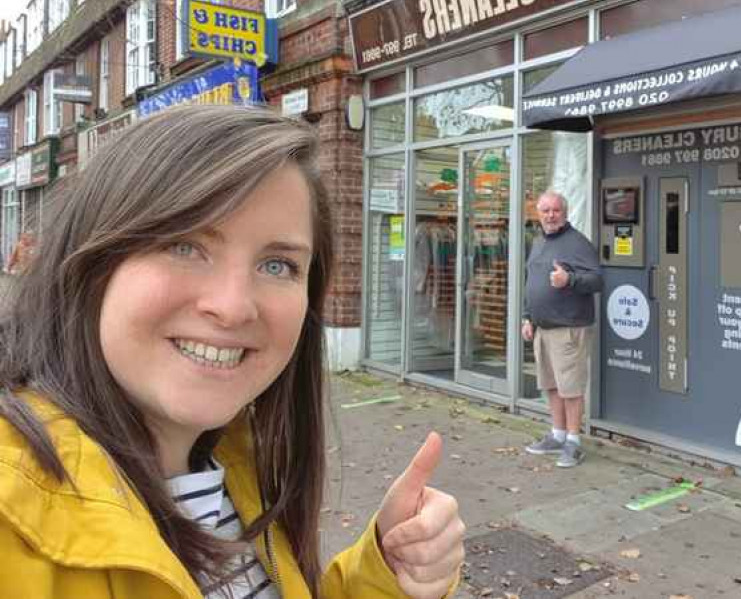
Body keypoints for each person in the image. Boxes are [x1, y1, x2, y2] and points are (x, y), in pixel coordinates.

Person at [0, 105, 464, 599]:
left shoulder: (237, 466)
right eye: (184, 246)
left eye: (278, 265)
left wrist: (383, 575)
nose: (233, 307)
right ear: (90, 262)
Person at [521, 191, 602, 468]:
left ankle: (573, 442)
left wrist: (569, 279)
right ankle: (557, 435)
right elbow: (531, 280)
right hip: (543, 328)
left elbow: (597, 280)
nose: (550, 215)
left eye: (556, 210)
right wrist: (527, 317)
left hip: (569, 328)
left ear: (564, 213)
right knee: (552, 385)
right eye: (545, 210)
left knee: (571, 388)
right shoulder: (539, 240)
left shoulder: (577, 243)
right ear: (538, 213)